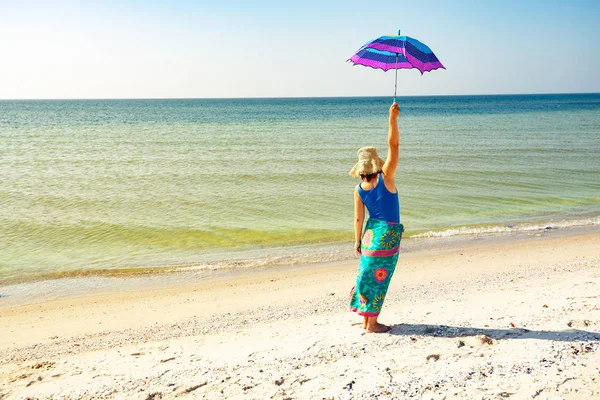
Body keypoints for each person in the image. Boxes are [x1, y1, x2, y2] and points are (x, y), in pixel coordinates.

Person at [349, 102, 403, 333]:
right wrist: (392, 118)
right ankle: (372, 324)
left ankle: (365, 320)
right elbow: (394, 145)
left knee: (368, 276)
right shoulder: (386, 178)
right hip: (387, 235)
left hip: (370, 235)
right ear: (376, 164)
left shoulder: (359, 189)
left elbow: (358, 220)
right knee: (381, 278)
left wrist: (357, 241)